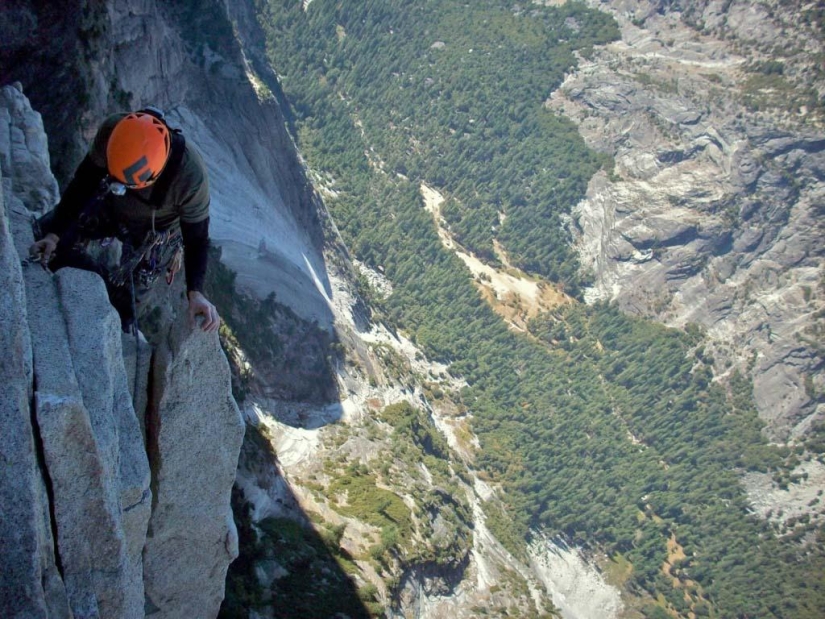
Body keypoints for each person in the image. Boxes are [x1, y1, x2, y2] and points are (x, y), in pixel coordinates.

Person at [29, 108, 220, 333]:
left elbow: (196, 239)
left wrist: (195, 291)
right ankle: (97, 278)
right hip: (110, 203)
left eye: (127, 184)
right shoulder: (114, 132)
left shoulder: (191, 178)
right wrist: (54, 234)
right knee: (44, 236)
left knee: (125, 311)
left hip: (155, 232)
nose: (123, 187)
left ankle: (112, 295)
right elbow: (84, 183)